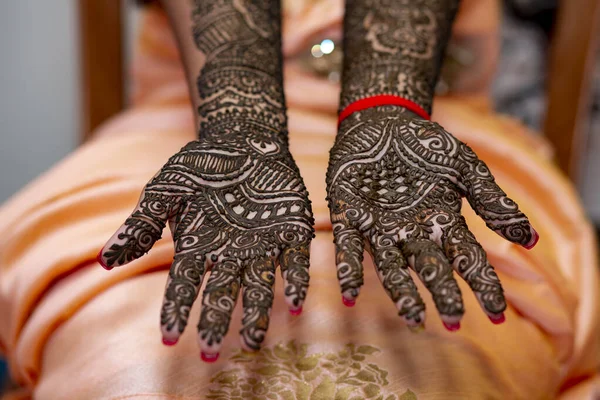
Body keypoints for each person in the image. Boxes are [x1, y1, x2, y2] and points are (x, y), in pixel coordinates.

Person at [1, 1, 598, 398]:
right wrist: (241, 123)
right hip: (193, 139)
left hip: (426, 148)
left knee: (454, 365)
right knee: (126, 367)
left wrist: (385, 111)